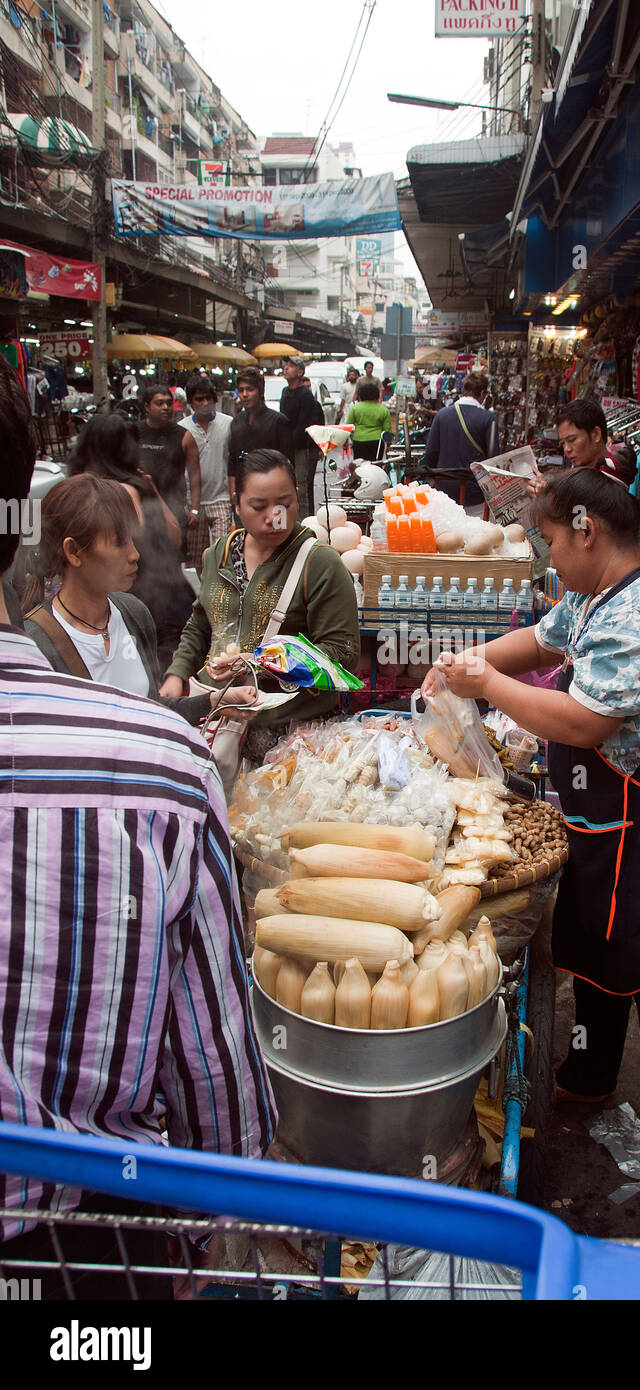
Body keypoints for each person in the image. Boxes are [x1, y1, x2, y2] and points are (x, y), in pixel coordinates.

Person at [0, 356, 275, 1296]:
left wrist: (204, 696)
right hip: (88, 1225)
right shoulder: (156, 780)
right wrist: (208, 1223)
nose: (132, 553)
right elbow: (211, 1060)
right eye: (113, 541)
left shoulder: (133, 628)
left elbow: (158, 697)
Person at [422, 465, 640, 1182]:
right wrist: (461, 666)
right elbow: (540, 640)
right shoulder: (594, 592)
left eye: (550, 541)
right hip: (610, 823)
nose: (547, 557)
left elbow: (586, 722)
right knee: (597, 955)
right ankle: (591, 1075)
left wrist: (485, 686)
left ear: (586, 531)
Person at [160, 449, 360, 766]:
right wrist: (177, 673)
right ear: (237, 505)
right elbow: (200, 625)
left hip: (291, 736)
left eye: (285, 503)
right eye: (259, 506)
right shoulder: (219, 555)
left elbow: (343, 652)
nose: (274, 516)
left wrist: (261, 662)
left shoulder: (320, 564)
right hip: (220, 721)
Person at [24, 473, 257, 726]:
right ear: (73, 552)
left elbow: (148, 707)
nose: (134, 554)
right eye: (119, 542)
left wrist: (214, 701)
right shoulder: (35, 645)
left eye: (133, 539)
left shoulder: (133, 613)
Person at [68, 411, 194, 670]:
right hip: (168, 601)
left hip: (141, 605)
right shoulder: (134, 486)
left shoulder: (105, 492)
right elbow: (175, 537)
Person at [180, 371, 235, 572]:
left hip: (221, 497)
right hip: (193, 502)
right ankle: (205, 594)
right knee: (199, 558)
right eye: (199, 399)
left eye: (208, 398)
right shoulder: (182, 429)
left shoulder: (228, 424)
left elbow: (234, 461)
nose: (204, 403)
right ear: (190, 402)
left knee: (221, 553)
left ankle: (220, 592)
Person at [422, 370, 498, 512]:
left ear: (463, 390)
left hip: (444, 489)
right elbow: (493, 459)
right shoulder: (488, 418)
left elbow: (431, 453)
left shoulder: (442, 415)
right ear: (482, 393)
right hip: (474, 491)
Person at [135, 380, 201, 532]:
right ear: (147, 406)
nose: (165, 407)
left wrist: (195, 510)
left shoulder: (184, 436)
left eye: (169, 403)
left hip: (174, 508)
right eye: (159, 403)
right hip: (141, 507)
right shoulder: (133, 432)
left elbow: (195, 474)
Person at [228, 366, 293, 501]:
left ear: (260, 391)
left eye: (250, 389)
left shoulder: (279, 422)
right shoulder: (236, 422)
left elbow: (288, 464)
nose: (245, 394)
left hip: (274, 496)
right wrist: (234, 494)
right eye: (241, 390)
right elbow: (233, 463)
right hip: (245, 495)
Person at [279, 357, 325, 517]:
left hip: (299, 448)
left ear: (300, 372)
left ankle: (304, 522)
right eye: (286, 366)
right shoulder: (285, 392)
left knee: (300, 487)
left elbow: (304, 424)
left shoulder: (305, 395)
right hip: (284, 447)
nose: (286, 368)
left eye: (291, 366)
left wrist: (291, 443)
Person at [347, 380, 392, 461]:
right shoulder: (383, 409)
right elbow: (387, 430)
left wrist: (345, 442)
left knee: (360, 467)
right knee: (376, 466)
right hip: (377, 442)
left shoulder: (355, 408)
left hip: (359, 441)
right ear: (377, 395)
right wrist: (389, 445)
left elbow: (348, 427)